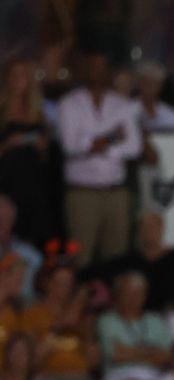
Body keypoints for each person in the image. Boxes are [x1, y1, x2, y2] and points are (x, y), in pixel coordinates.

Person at [54, 53, 141, 265]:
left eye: (101, 67)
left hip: (116, 192)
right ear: (82, 70)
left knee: (116, 259)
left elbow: (133, 147)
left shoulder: (122, 104)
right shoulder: (69, 104)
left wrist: (97, 146)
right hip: (83, 193)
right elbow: (70, 146)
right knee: (80, 259)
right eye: (91, 66)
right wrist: (111, 138)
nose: (96, 72)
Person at [0, 61, 56, 248]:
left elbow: (47, 156)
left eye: (22, 75)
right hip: (6, 184)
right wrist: (8, 144)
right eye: (14, 74)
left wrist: (42, 147)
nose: (17, 80)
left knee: (34, 239)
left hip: (33, 184)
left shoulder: (38, 113)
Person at [97, 271, 174, 380]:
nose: (133, 298)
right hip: (120, 375)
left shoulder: (156, 320)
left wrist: (130, 351)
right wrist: (152, 351)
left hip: (155, 375)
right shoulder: (107, 320)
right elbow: (117, 356)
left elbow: (168, 357)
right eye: (128, 293)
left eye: (138, 293)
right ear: (117, 295)